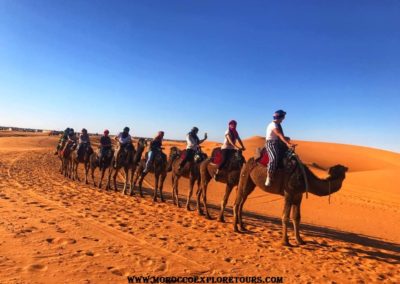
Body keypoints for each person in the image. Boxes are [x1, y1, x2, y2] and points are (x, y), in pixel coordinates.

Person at [265, 109, 295, 187]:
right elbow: (279, 135)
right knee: (273, 159)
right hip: (271, 144)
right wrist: (287, 143)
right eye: (283, 117)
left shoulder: (278, 125)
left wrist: (288, 141)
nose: (284, 119)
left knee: (289, 156)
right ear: (280, 117)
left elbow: (281, 136)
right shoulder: (273, 125)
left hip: (277, 143)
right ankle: (269, 176)